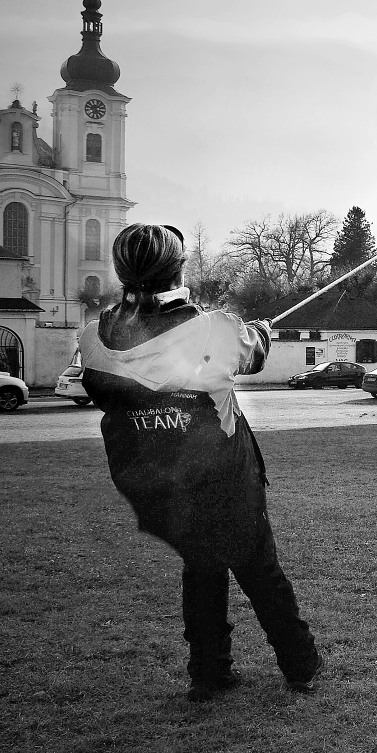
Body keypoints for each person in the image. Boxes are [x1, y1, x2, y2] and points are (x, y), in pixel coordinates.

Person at [79, 223, 323, 702]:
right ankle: (301, 665)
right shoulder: (215, 329)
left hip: (157, 482)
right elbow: (251, 354)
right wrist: (261, 333)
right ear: (177, 269)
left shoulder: (94, 338)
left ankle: (208, 674)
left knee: (202, 568)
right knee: (259, 570)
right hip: (223, 477)